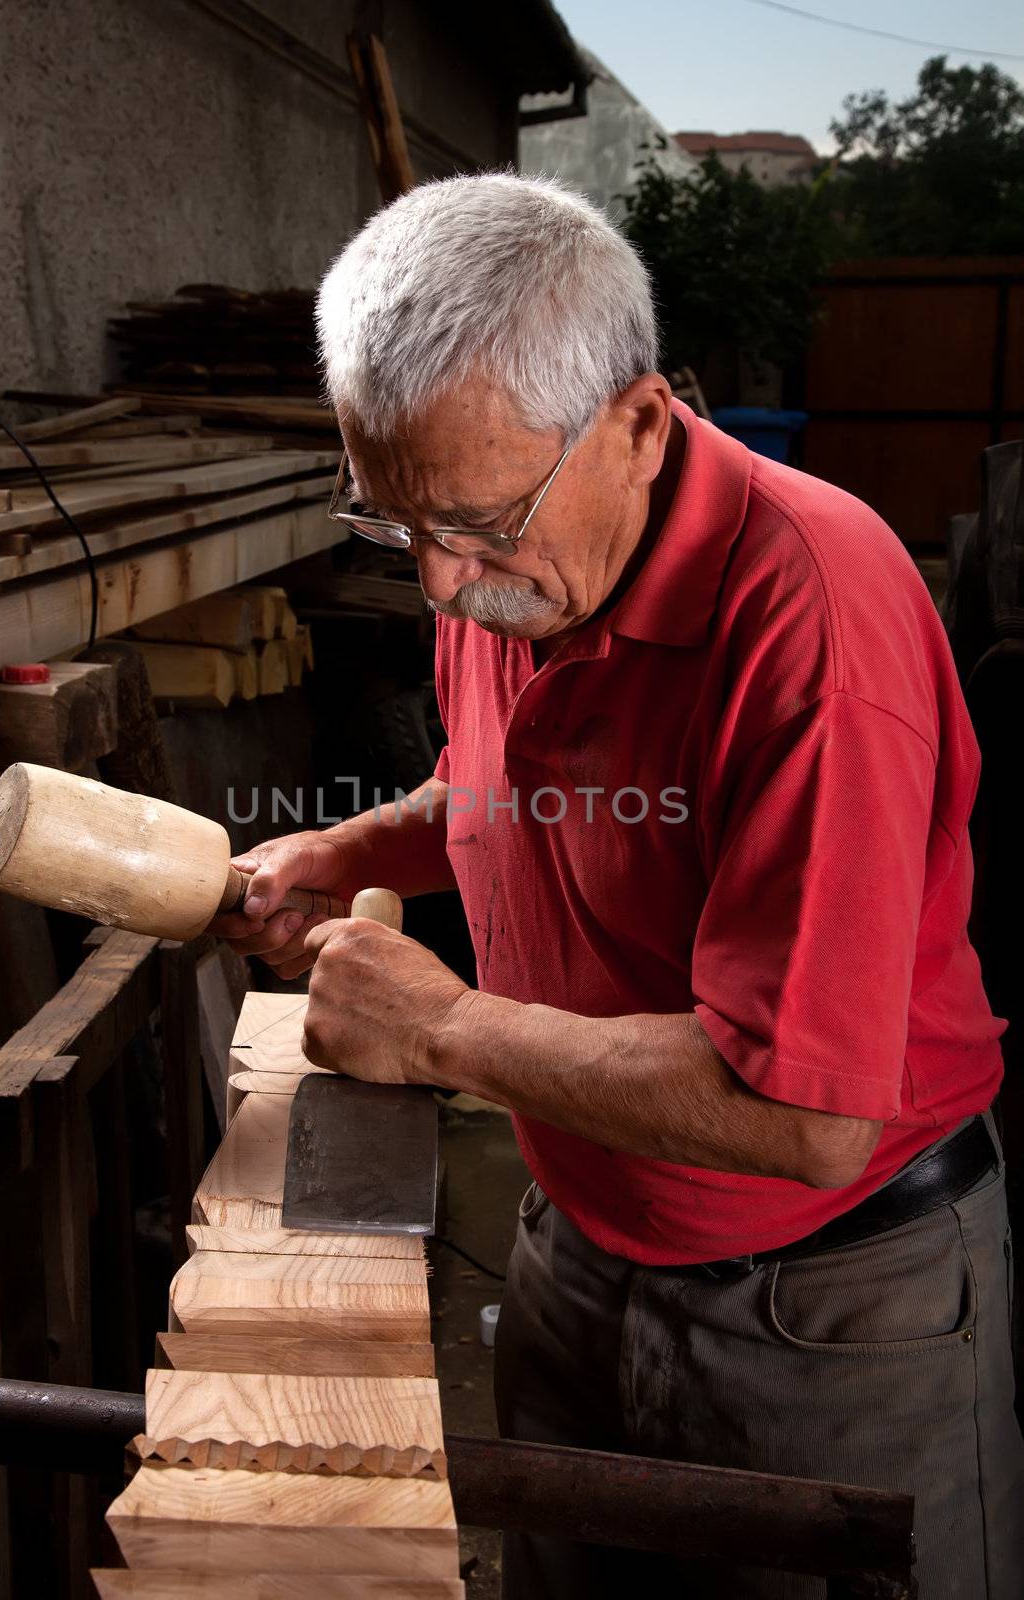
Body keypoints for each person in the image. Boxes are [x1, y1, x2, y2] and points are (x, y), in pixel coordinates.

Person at [212, 173, 1023, 1598]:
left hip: (830, 1302)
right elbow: (500, 784)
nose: (446, 590)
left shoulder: (812, 619)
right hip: (579, 1236)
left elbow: (812, 1114)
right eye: (395, 526)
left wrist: (442, 1030)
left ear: (640, 424)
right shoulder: (518, 561)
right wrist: (355, 849)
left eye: (476, 523)